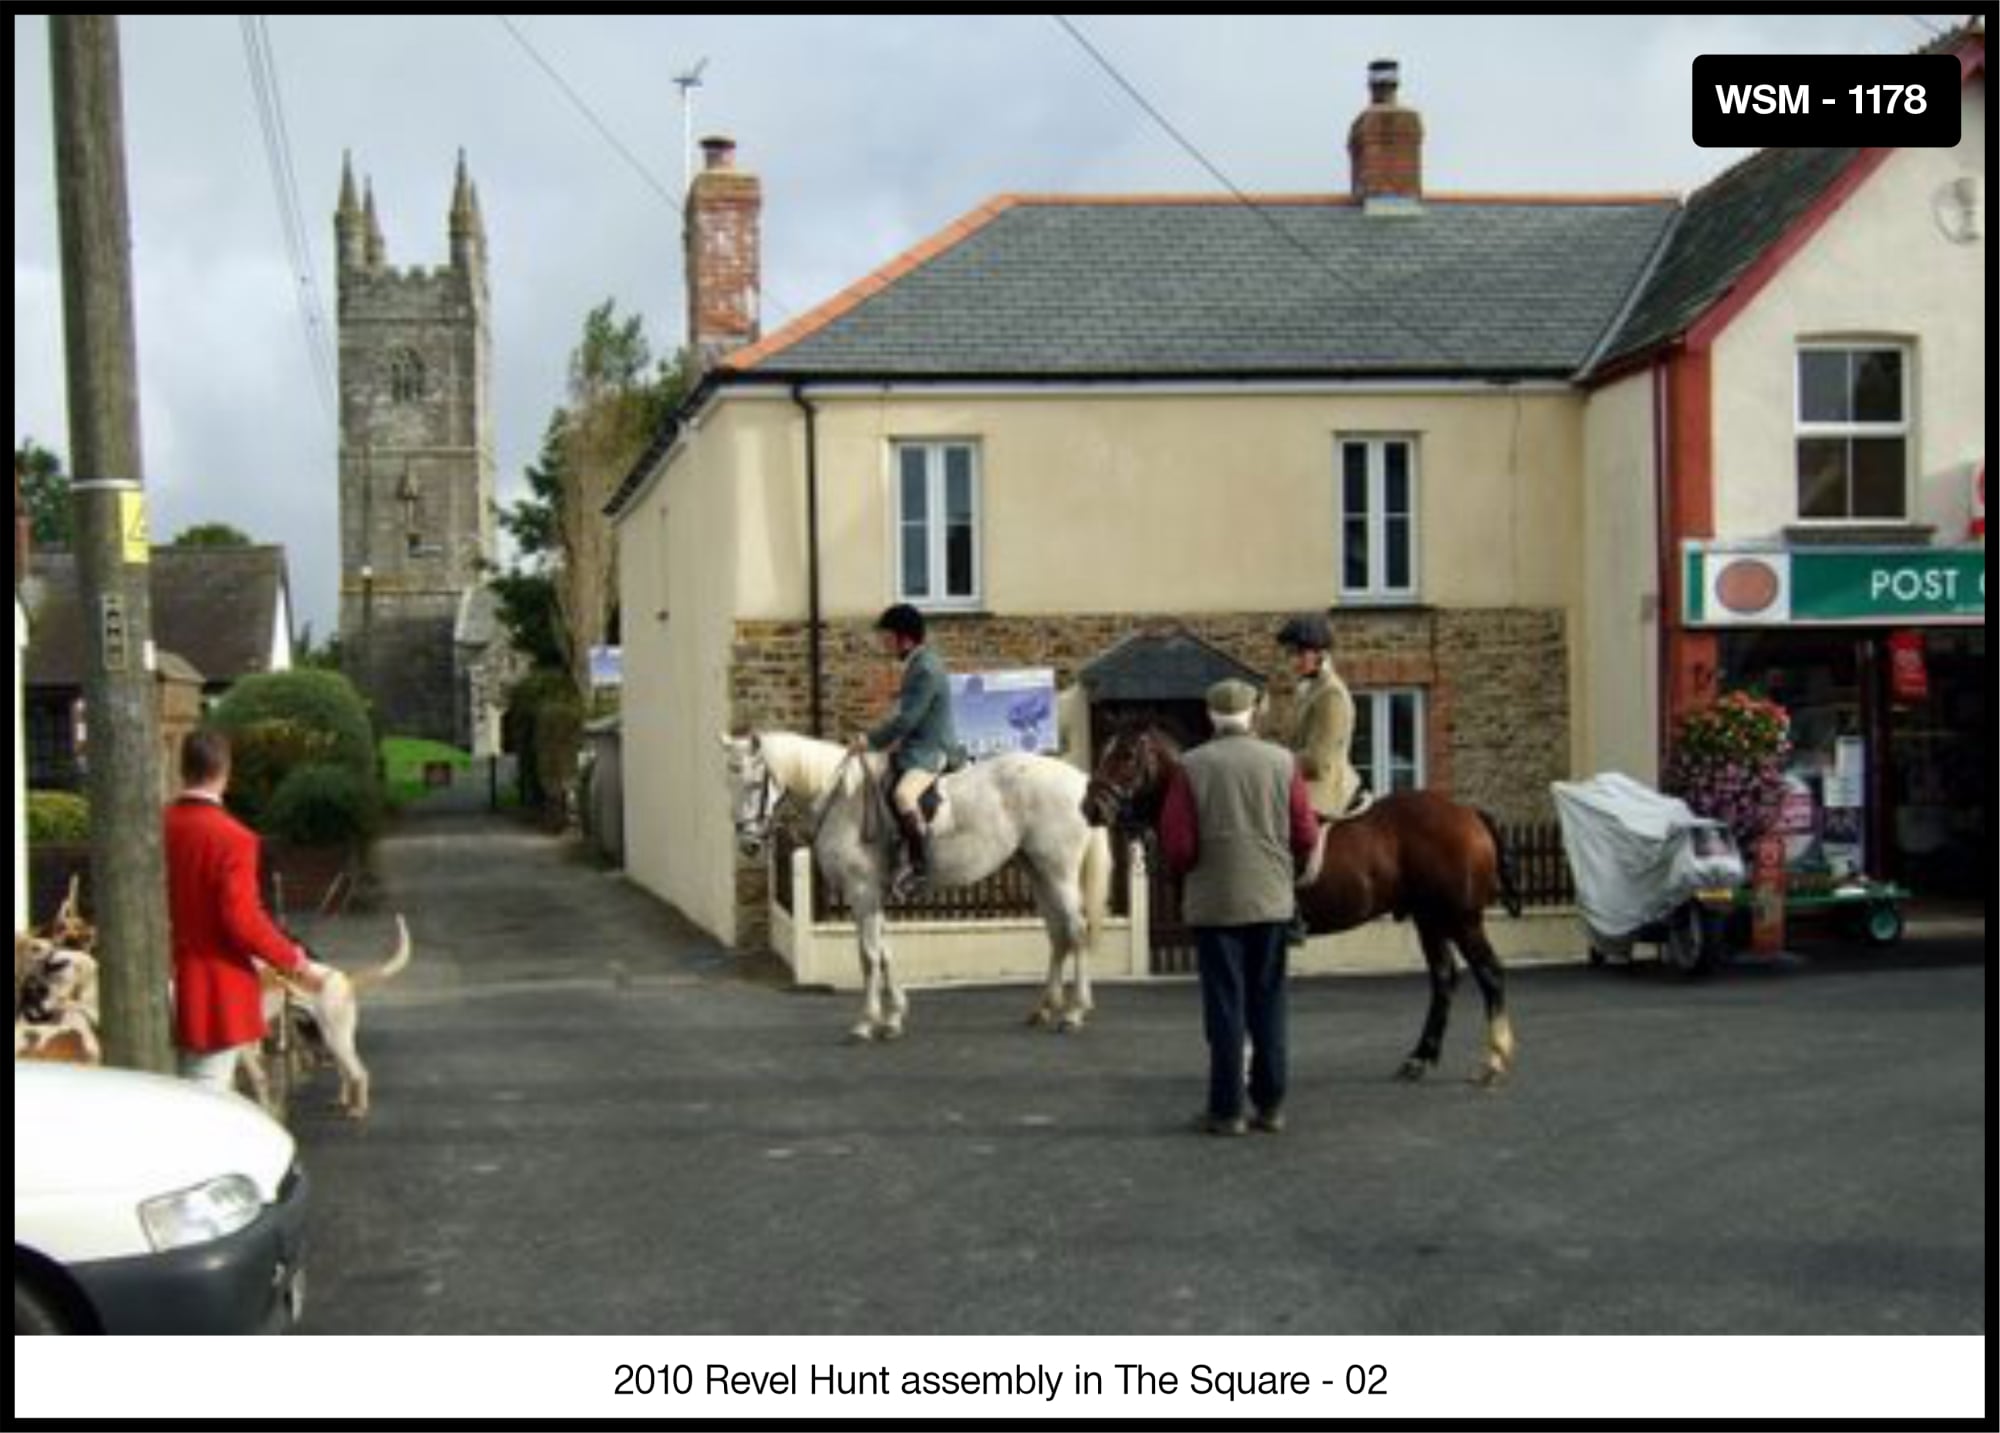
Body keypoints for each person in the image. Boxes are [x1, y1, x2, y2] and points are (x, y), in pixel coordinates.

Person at [1159, 679, 1318, 1136]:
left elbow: (1179, 845)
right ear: (1253, 714)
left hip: (1215, 905)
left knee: (1225, 1007)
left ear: (1211, 717)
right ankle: (1271, 1106)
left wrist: (1193, 869)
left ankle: (1227, 1111)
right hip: (1271, 902)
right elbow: (1306, 835)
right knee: (1269, 1003)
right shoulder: (1284, 763)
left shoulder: (1190, 766)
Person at [163, 728, 329, 1095]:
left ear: (182, 768)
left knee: (169, 1093)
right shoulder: (233, 837)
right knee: (207, 1093)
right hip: (212, 985)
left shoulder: (158, 825)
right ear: (225, 771)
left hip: (156, 979)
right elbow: (242, 919)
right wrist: (293, 960)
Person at [849, 603, 959, 900]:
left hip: (931, 749)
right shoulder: (917, 663)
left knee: (903, 796)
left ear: (905, 639)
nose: (884, 644)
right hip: (914, 746)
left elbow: (908, 718)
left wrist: (871, 741)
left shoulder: (925, 668)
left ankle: (919, 867)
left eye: (888, 637)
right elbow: (902, 714)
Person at [1275, 613, 1363, 821]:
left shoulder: (1330, 694)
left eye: (1297, 653)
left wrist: (1270, 761)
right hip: (1300, 785)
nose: (1292, 661)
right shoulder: (1309, 688)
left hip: (1323, 793)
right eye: (1289, 654)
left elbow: (1318, 762)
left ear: (1319, 653)